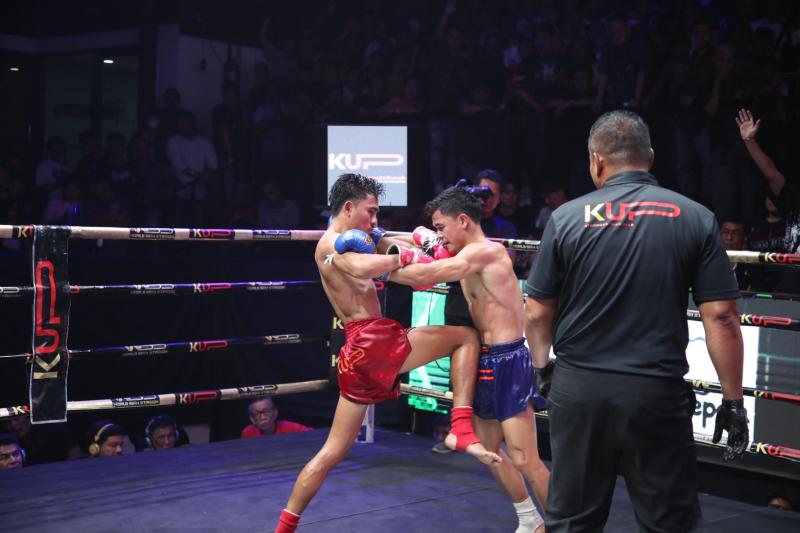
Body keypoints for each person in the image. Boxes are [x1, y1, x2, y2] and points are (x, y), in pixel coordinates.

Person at [524, 110, 749, 531]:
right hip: (656, 392)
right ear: (650, 157)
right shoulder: (695, 216)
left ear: (596, 161)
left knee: (572, 521)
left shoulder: (567, 217)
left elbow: (536, 311)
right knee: (669, 523)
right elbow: (721, 316)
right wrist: (734, 401)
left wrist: (541, 368)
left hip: (580, 388)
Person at [273, 173, 500, 533]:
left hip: (359, 351)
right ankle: (459, 426)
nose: (375, 219)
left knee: (332, 452)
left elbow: (389, 239)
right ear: (349, 207)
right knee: (466, 337)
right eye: (371, 211)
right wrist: (406, 257)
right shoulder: (331, 245)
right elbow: (361, 266)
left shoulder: (357, 237)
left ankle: (284, 527)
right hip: (373, 343)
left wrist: (424, 237)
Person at [389, 186, 549, 533]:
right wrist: (374, 236)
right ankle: (530, 519)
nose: (440, 235)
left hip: (508, 360)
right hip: (485, 357)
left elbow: (428, 275)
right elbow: (420, 242)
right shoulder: (463, 252)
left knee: (525, 458)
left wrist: (369, 267)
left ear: (463, 220)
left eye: (442, 227)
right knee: (488, 449)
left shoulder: (485, 252)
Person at [241, 397, 311, 438]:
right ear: (252, 419)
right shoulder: (248, 433)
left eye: (266, 411)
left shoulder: (291, 428)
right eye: (257, 414)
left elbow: (313, 434)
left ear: (275, 413)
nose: (262, 417)